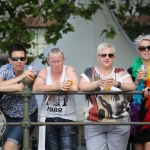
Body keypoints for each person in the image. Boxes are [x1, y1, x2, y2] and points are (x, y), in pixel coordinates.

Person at [79, 43, 135, 150]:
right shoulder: (90, 70)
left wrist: (117, 83)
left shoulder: (121, 71)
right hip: (94, 121)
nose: (107, 57)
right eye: (103, 55)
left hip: (120, 121)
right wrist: (97, 83)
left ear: (114, 57)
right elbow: (81, 87)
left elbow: (132, 87)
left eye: (110, 55)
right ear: (98, 57)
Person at [33, 48, 79, 150]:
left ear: (64, 60)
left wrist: (49, 89)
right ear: (48, 61)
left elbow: (75, 87)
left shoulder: (68, 69)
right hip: (48, 118)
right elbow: (36, 87)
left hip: (67, 119)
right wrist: (57, 87)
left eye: (59, 61)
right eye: (53, 62)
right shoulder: (45, 70)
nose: (56, 64)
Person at [0, 44, 38, 150]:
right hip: (7, 116)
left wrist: (3, 86)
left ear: (26, 60)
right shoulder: (4, 69)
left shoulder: (31, 70)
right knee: (14, 147)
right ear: (10, 60)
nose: (19, 61)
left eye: (22, 58)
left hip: (26, 115)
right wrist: (21, 77)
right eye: (15, 59)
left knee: (8, 147)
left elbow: (21, 87)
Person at [127, 34, 150, 150]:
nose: (146, 50)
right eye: (142, 48)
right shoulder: (131, 71)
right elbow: (127, 98)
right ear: (138, 51)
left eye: (149, 48)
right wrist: (136, 82)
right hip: (137, 117)